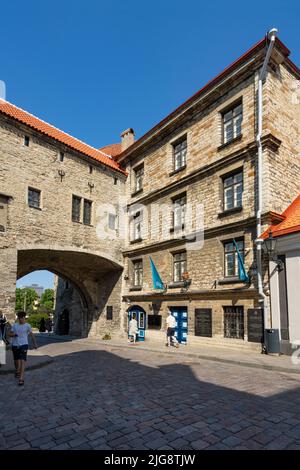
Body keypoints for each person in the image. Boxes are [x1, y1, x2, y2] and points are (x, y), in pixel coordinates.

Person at [9, 311, 38, 386]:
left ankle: (21, 378)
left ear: (25, 318)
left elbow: (32, 335)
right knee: (16, 360)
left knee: (23, 361)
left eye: (23, 318)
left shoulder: (28, 325)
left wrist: (35, 344)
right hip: (15, 345)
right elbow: (9, 334)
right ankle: (17, 370)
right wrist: (13, 334)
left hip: (24, 345)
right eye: (20, 318)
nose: (22, 319)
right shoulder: (15, 325)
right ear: (18, 318)